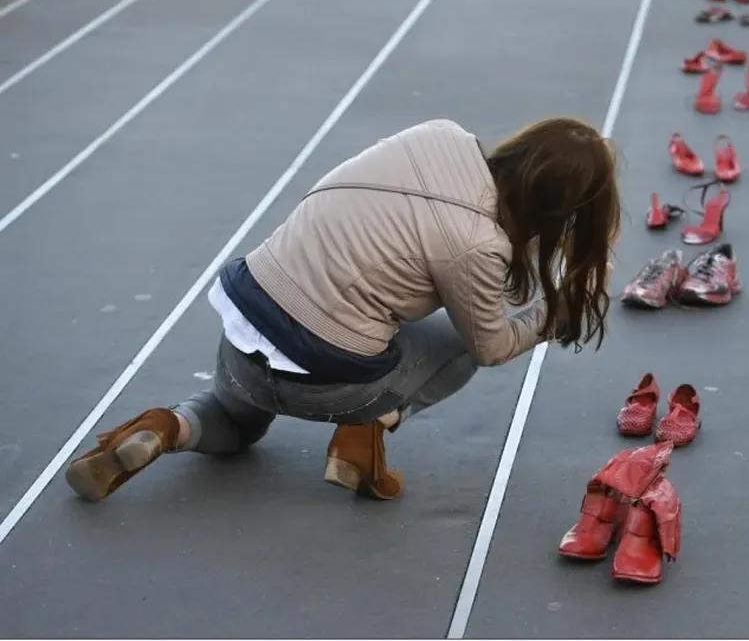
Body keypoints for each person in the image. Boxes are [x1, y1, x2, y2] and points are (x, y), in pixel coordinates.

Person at [65, 117, 621, 503]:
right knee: (465, 341)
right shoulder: (479, 245)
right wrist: (552, 318)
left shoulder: (437, 135)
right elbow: (492, 346)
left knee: (233, 420)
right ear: (564, 211)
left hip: (246, 323)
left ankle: (165, 428)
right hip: (330, 380)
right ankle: (369, 423)